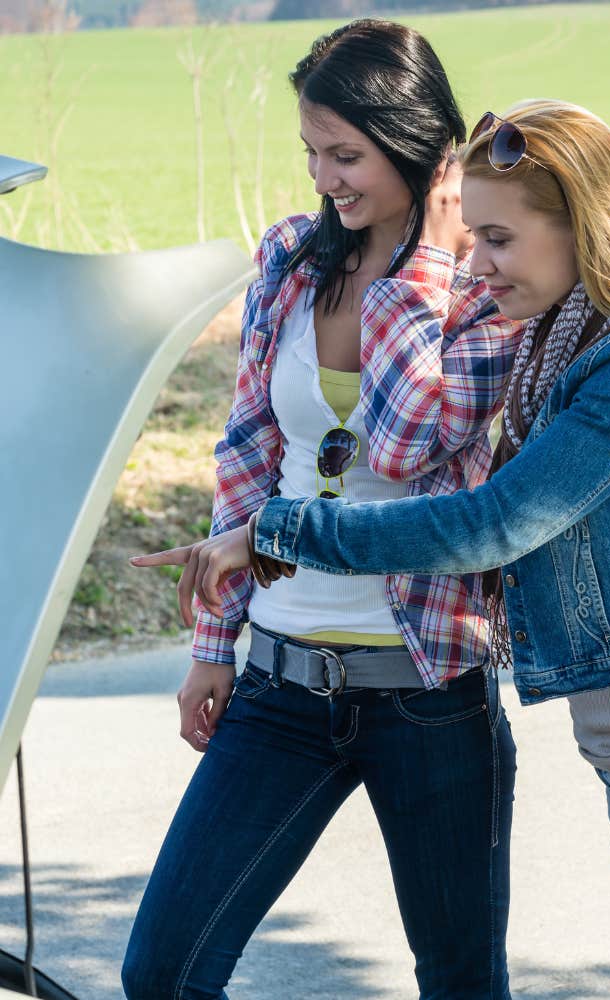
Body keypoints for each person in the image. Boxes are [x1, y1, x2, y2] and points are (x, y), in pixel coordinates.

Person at [143, 100, 610, 999]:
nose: (480, 263)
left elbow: (488, 525)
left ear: (583, 226)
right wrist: (233, 619)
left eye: (497, 239)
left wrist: (277, 529)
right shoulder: (559, 344)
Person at [122, 21, 522, 1000]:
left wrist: (424, 257)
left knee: (461, 982)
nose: (323, 178)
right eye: (311, 152)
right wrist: (213, 644)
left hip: (430, 692)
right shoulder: (292, 260)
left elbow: (404, 440)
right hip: (280, 686)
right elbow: (249, 453)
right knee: (165, 973)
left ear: (418, 145)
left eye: (345, 153)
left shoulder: (483, 282)